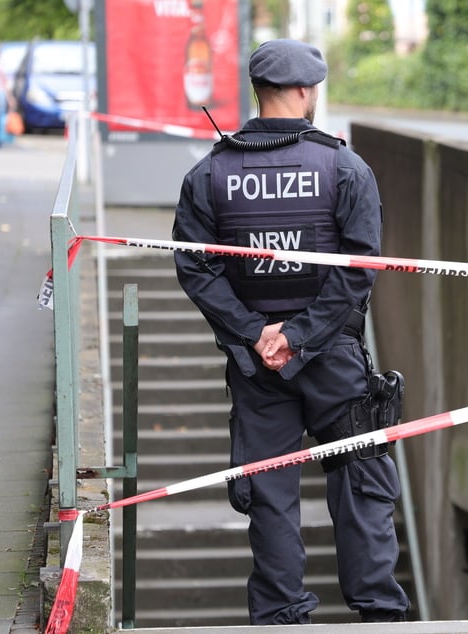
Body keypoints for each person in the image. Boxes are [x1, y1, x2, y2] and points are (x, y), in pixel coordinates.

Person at [172, 39, 410, 625]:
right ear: (305, 91)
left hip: (258, 366)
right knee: (360, 477)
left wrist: (256, 333)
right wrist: (301, 336)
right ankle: (378, 612)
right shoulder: (344, 167)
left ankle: (280, 615)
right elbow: (360, 269)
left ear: (258, 91)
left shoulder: (210, 173)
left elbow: (193, 266)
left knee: (271, 495)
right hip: (331, 357)